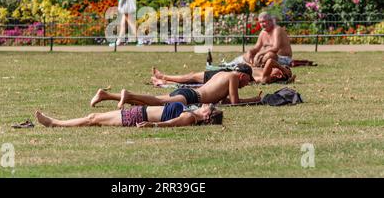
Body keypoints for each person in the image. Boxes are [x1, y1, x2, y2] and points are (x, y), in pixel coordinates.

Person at [90, 70, 261, 108]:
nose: (247, 83)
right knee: (157, 102)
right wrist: (254, 100)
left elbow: (222, 100)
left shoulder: (221, 74)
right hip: (192, 97)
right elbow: (234, 102)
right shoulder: (232, 77)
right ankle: (128, 94)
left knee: (150, 103)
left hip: (188, 93)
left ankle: (106, 95)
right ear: (241, 74)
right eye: (248, 79)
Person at [35, 102, 223, 128]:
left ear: (207, 117)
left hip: (136, 117)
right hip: (137, 112)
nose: (208, 105)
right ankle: (55, 122)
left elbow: (172, 122)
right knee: (94, 117)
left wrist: (153, 125)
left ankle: (55, 123)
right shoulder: (191, 111)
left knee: (93, 119)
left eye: (210, 108)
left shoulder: (191, 117)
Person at [151, 60, 295, 86]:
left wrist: (283, 69)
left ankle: (164, 77)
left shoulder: (266, 78)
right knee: (193, 78)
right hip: (227, 73)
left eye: (282, 68)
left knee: (193, 77)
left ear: (280, 74)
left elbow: (270, 60)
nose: (281, 66)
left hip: (226, 76)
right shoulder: (264, 72)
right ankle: (164, 80)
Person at [225, 12, 293, 67]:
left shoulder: (277, 30)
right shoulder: (263, 32)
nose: (261, 24)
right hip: (264, 56)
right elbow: (256, 47)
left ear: (270, 21)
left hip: (283, 58)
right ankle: (229, 65)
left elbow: (275, 48)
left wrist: (259, 53)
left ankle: (253, 65)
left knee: (269, 55)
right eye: (260, 22)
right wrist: (250, 52)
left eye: (263, 22)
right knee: (246, 55)